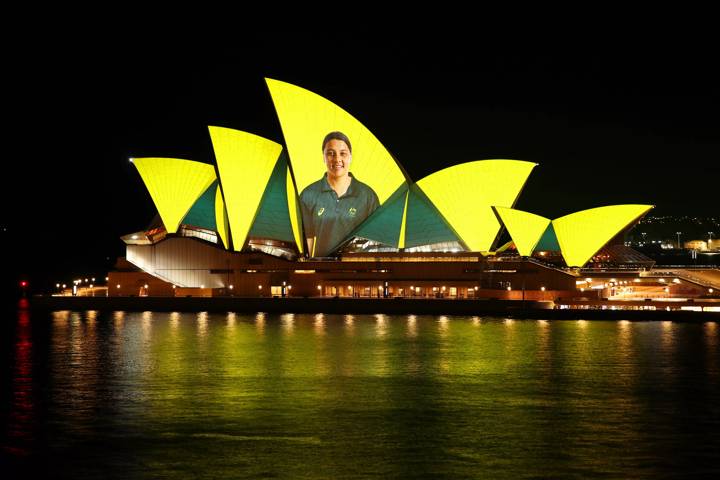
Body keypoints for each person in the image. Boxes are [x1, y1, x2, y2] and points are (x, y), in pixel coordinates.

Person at [300, 131, 379, 257]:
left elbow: (376, 241)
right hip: (321, 270)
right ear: (323, 157)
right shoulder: (308, 195)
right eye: (330, 154)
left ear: (350, 157)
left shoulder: (367, 196)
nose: (337, 159)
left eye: (343, 153)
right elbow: (307, 239)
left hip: (358, 271)